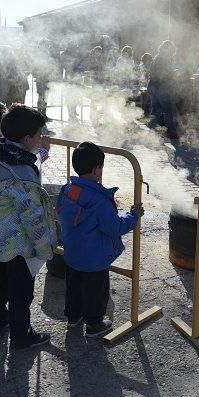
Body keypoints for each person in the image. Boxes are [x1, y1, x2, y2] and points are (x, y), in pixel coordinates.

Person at [0, 104, 56, 349]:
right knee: (21, 291)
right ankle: (21, 334)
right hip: (17, 244)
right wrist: (43, 247)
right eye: (39, 135)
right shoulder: (24, 174)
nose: (42, 138)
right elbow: (33, 217)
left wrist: (42, 152)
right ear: (27, 138)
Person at [57, 142, 144, 337]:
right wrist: (133, 216)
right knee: (96, 292)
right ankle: (95, 323)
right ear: (97, 170)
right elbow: (115, 227)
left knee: (74, 287)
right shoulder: (99, 201)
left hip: (72, 254)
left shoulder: (67, 191)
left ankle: (73, 317)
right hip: (94, 259)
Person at [147, 40, 181, 139]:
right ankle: (171, 133)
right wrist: (174, 74)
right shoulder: (163, 59)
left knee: (156, 110)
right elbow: (162, 75)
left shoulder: (157, 57)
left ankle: (151, 133)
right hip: (161, 88)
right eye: (171, 50)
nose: (172, 52)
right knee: (168, 111)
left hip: (153, 87)